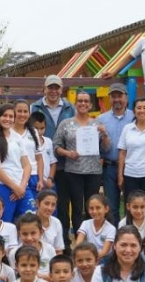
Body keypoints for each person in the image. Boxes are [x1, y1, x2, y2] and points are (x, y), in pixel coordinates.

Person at [54, 90, 110, 236]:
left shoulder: (97, 124)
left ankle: (92, 237)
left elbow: (106, 148)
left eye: (86, 101)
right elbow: (56, 146)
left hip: (93, 171)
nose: (83, 104)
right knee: (77, 206)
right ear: (75, 103)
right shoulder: (66, 123)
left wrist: (104, 134)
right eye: (80, 101)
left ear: (91, 105)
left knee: (93, 206)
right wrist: (67, 153)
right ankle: (79, 237)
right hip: (73, 171)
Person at [31, 75, 75, 249]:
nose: (54, 91)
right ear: (44, 88)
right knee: (40, 205)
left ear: (61, 89)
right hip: (43, 165)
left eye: (57, 87)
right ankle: (38, 242)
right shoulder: (35, 107)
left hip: (66, 163)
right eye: (50, 87)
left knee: (61, 206)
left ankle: (61, 243)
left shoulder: (69, 107)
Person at [0, 104, 34, 222]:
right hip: (3, 186)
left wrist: (21, 187)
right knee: (5, 222)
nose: (8, 119)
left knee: (30, 221)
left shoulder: (17, 137)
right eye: (4, 116)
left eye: (11, 116)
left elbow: (27, 165)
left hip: (22, 188)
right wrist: (14, 187)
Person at [96, 83, 134, 226]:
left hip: (131, 167)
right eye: (113, 96)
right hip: (110, 168)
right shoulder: (101, 119)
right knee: (111, 207)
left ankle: (131, 237)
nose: (117, 99)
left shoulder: (135, 117)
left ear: (126, 97)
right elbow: (99, 147)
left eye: (120, 96)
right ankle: (114, 240)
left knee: (131, 205)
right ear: (109, 99)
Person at [8, 213, 56, 280]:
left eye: (33, 233)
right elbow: (15, 278)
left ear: (41, 232)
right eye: (25, 234)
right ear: (19, 234)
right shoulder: (14, 253)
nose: (29, 238)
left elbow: (54, 275)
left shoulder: (49, 249)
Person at [14, 100, 45, 196]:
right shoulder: (7, 132)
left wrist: (40, 180)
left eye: (25, 111)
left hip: (33, 176)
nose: (22, 114)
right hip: (15, 175)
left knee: (32, 209)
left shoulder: (33, 132)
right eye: (19, 111)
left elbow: (39, 158)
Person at [31, 112, 58, 192]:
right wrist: (41, 180)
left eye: (42, 128)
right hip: (35, 182)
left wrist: (50, 178)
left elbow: (53, 163)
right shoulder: (28, 143)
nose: (39, 131)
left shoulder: (48, 141)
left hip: (49, 183)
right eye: (36, 128)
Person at [36, 189, 64, 255]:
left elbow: (58, 250)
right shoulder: (28, 220)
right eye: (46, 203)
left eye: (53, 205)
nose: (49, 208)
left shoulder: (56, 223)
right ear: (37, 203)